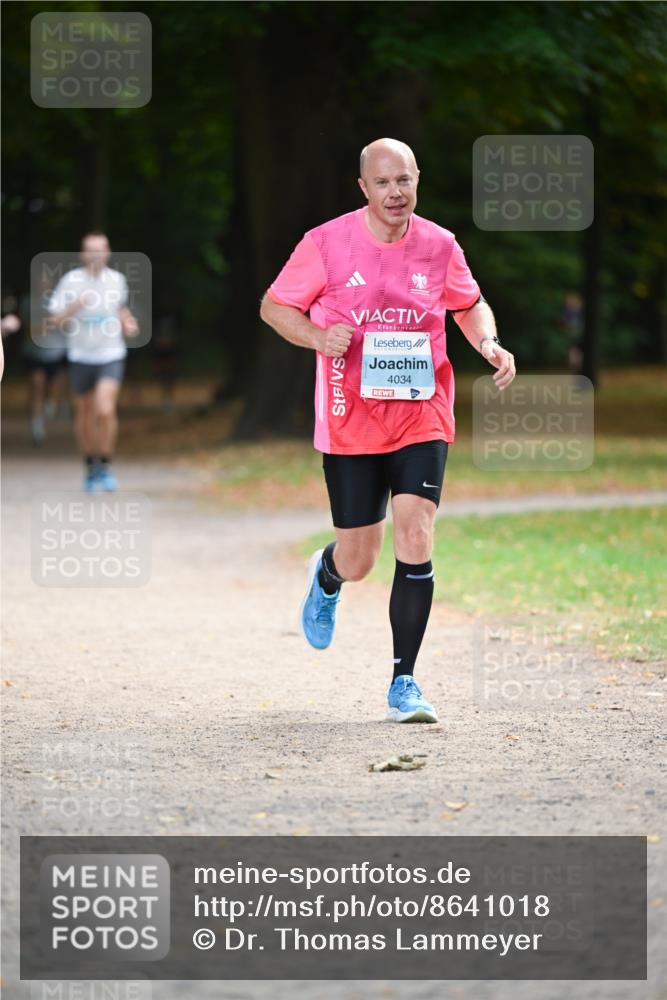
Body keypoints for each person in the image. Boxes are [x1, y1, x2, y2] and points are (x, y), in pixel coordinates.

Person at [259, 138, 516, 724]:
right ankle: (329, 574)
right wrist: (317, 337)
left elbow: (469, 304)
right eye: (382, 182)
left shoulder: (440, 244)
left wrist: (489, 343)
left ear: (417, 179)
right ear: (364, 188)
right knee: (360, 558)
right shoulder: (325, 243)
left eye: (404, 180)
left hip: (422, 412)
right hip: (349, 417)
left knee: (416, 532)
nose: (395, 192)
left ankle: (405, 682)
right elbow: (275, 307)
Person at [48, 231, 139, 491]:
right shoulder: (70, 281)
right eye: (90, 249)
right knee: (85, 413)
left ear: (108, 252)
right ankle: (90, 467)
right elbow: (55, 320)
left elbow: (120, 310)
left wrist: (128, 322)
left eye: (100, 249)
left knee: (105, 409)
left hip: (110, 354)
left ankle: (106, 465)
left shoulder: (117, 280)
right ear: (82, 254)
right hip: (80, 355)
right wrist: (74, 307)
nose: (96, 254)